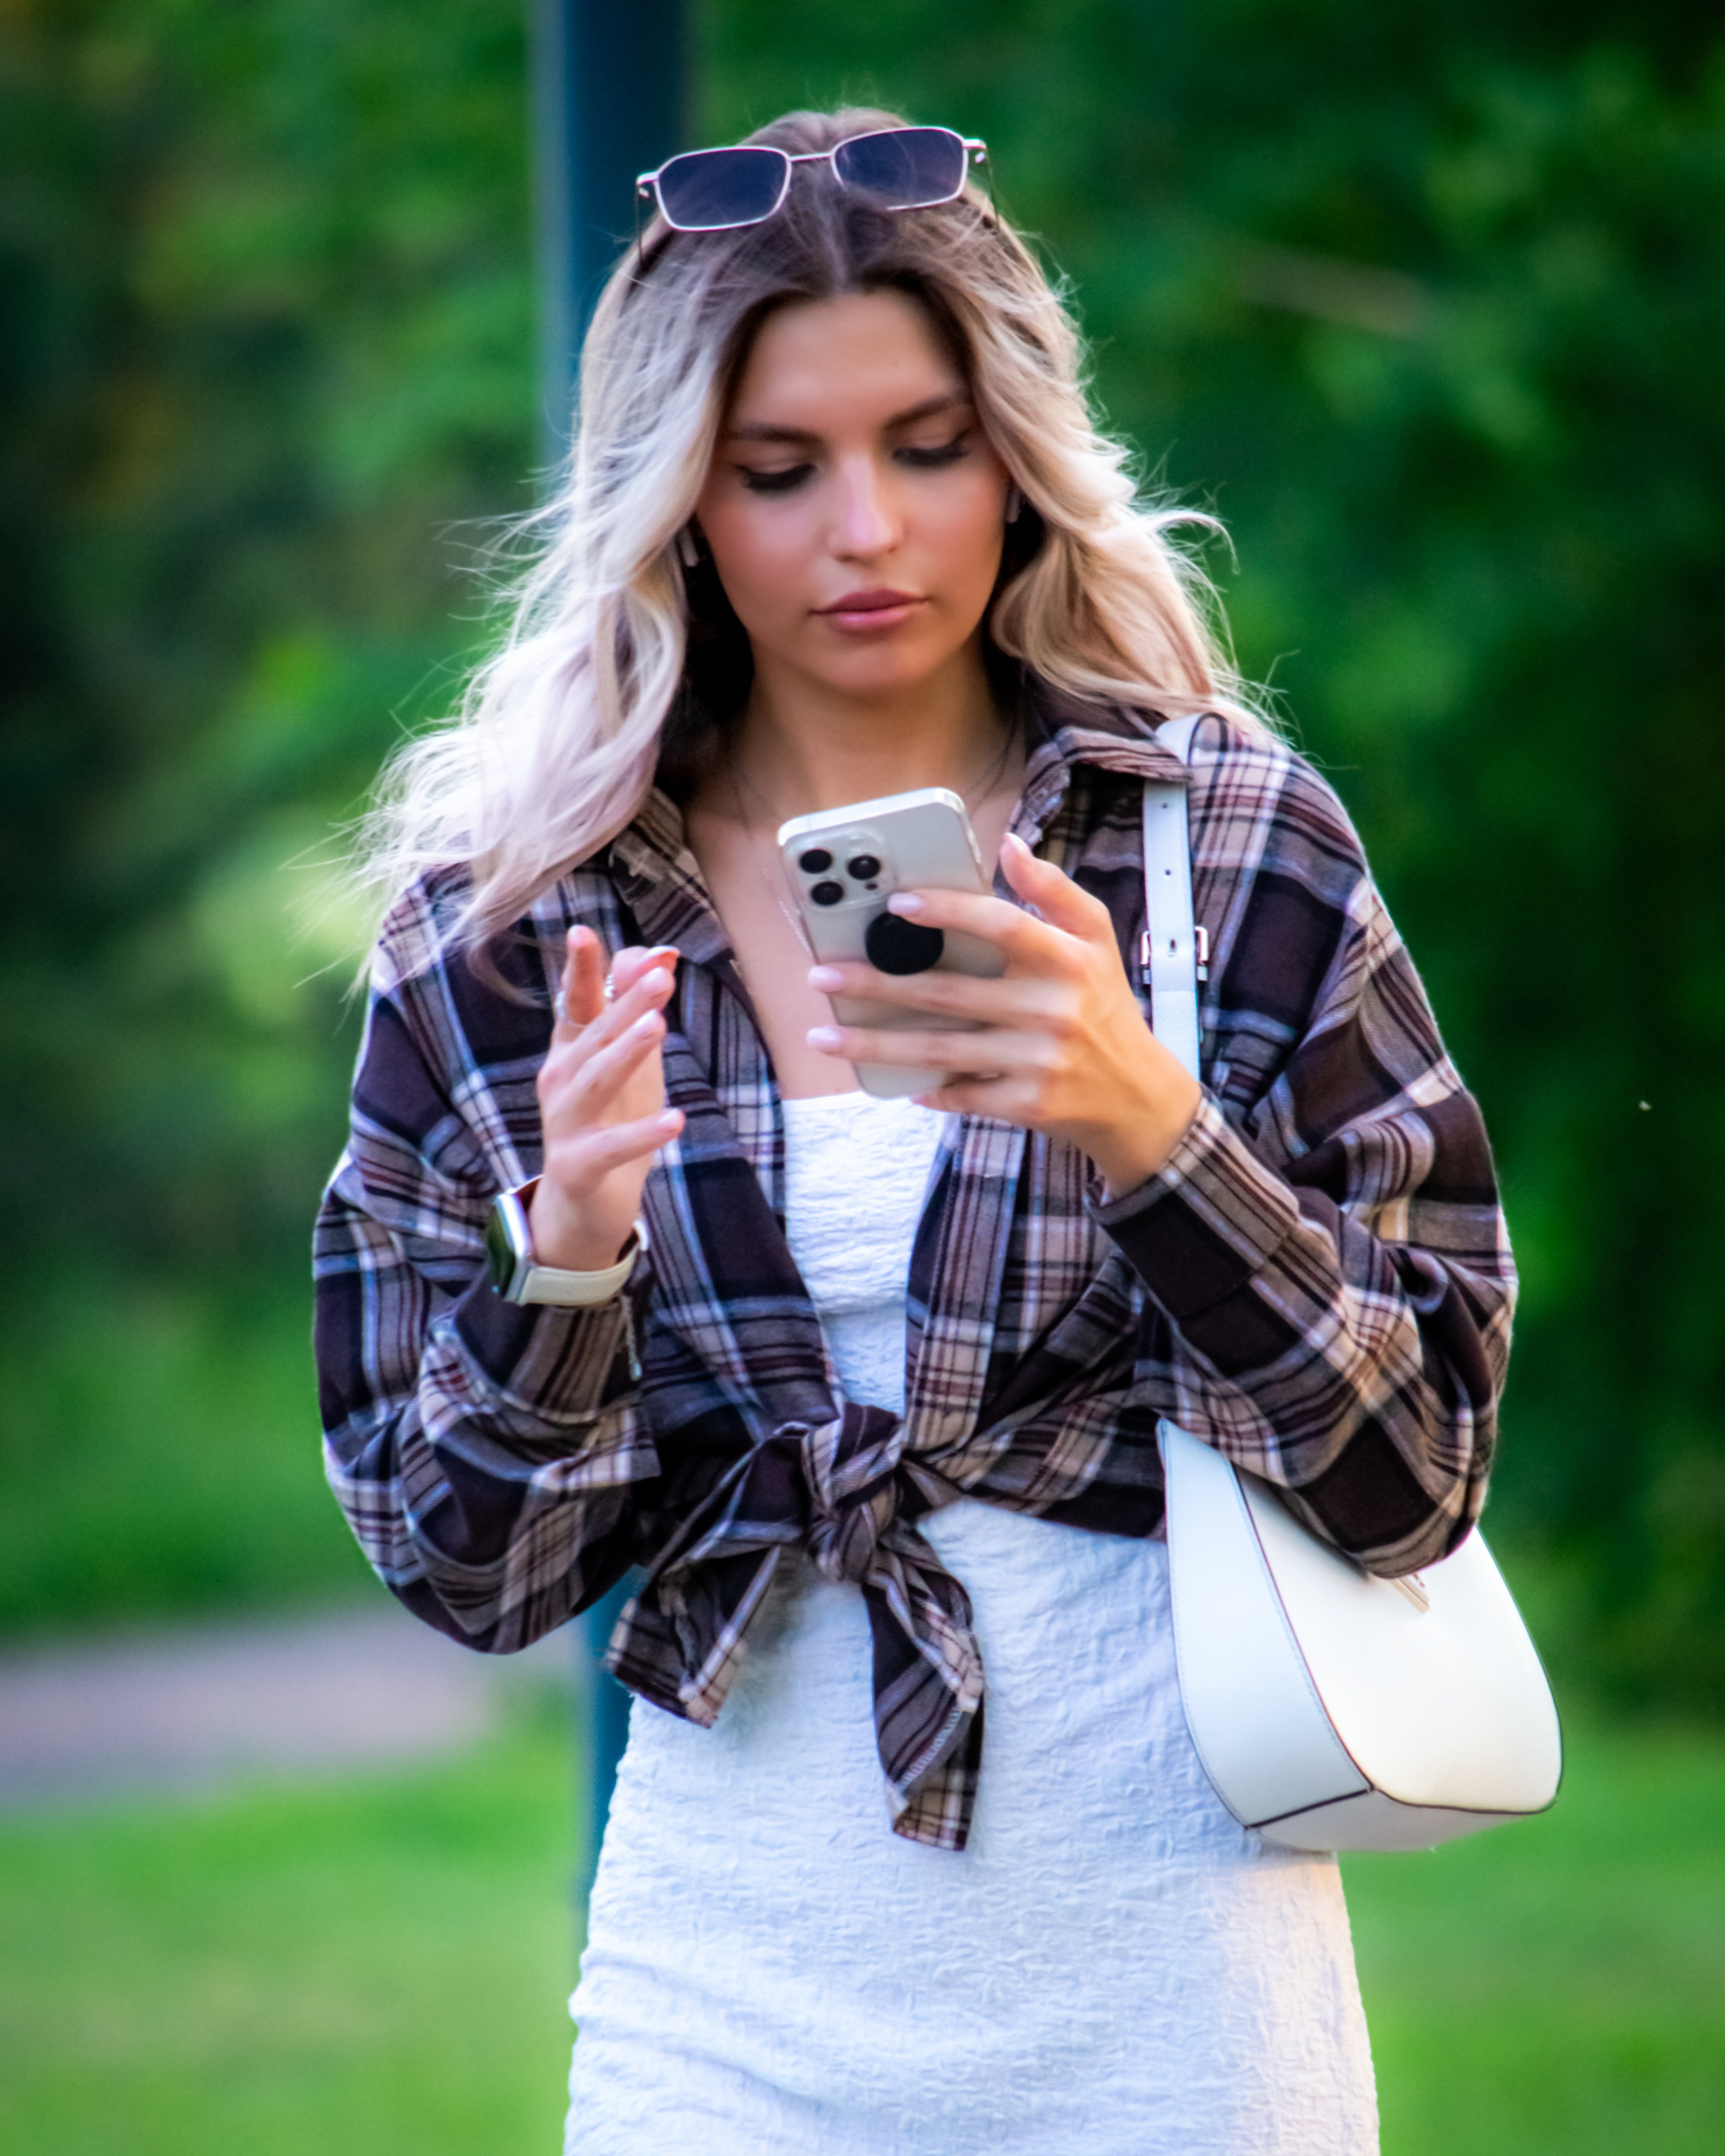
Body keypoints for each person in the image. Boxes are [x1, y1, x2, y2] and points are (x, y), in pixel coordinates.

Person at [315, 106, 1513, 2156]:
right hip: (729, 1989)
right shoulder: (517, 921)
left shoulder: (1222, 844)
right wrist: (572, 1258)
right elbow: (469, 1575)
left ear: (1018, 458)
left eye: (926, 447)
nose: (863, 529)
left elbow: (1419, 1475)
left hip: (1169, 1977)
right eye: (780, 472)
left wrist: (1152, 1126)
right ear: (680, 496)